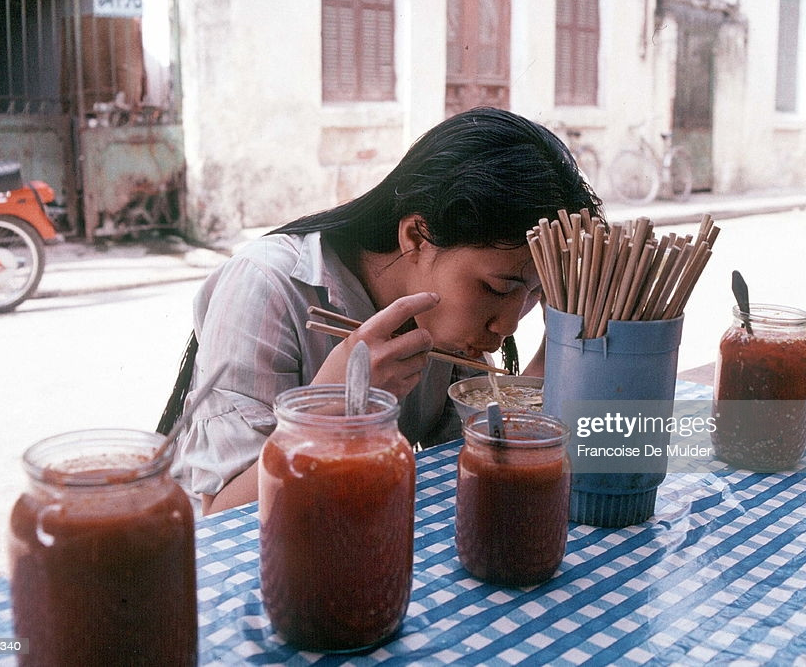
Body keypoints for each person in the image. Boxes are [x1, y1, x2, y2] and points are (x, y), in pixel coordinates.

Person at [169, 107, 603, 514]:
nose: (507, 325)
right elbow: (223, 513)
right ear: (416, 236)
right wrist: (330, 410)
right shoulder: (268, 286)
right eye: (496, 287)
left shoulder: (448, 325)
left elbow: (478, 450)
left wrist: (556, 344)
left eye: (534, 294)